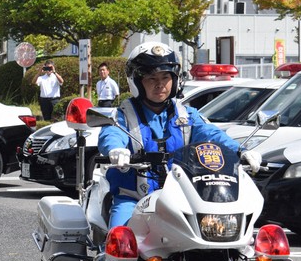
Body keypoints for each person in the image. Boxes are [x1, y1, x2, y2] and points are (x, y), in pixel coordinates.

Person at [98, 41, 262, 228]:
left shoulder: (187, 115)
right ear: (137, 81)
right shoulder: (123, 115)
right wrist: (116, 149)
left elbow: (211, 134)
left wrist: (239, 151)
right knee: (119, 240)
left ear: (175, 80)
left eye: (166, 77)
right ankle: (108, 258)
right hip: (133, 198)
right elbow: (111, 132)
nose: (160, 84)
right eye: (151, 78)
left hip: (180, 199)